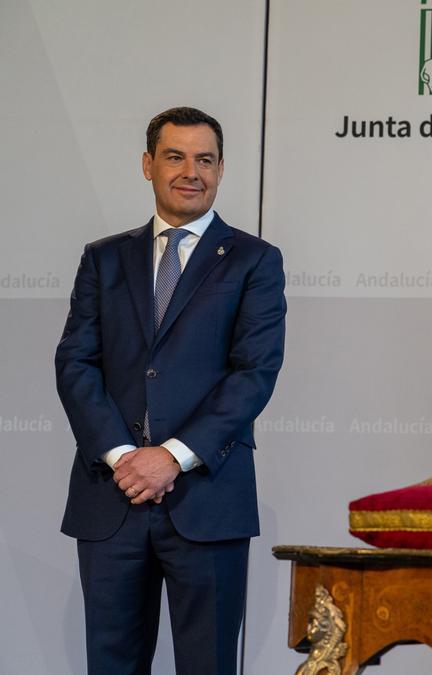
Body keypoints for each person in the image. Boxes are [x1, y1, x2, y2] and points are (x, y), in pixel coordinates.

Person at [55, 106, 286, 675]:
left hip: (207, 499)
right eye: (176, 156)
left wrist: (171, 458)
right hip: (112, 496)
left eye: (205, 159)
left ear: (221, 169)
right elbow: (76, 362)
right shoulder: (103, 258)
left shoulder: (255, 260)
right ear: (148, 165)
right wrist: (123, 456)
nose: (192, 171)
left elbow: (254, 372)